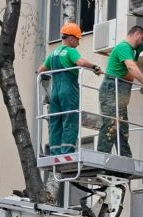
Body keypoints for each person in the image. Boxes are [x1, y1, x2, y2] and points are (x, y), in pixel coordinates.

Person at [97, 17, 143, 158]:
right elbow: (131, 66)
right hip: (112, 88)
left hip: (120, 90)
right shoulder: (123, 47)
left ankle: (125, 158)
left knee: (122, 127)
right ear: (137, 35)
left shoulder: (135, 49)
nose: (142, 42)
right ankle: (101, 157)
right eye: (141, 38)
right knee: (110, 123)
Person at [38, 22, 102, 155]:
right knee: (70, 119)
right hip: (68, 91)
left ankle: (55, 152)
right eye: (77, 39)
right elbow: (81, 62)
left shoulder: (54, 53)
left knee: (56, 121)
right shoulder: (71, 51)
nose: (78, 43)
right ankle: (67, 151)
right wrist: (94, 67)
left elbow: (41, 70)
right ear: (72, 38)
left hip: (55, 92)